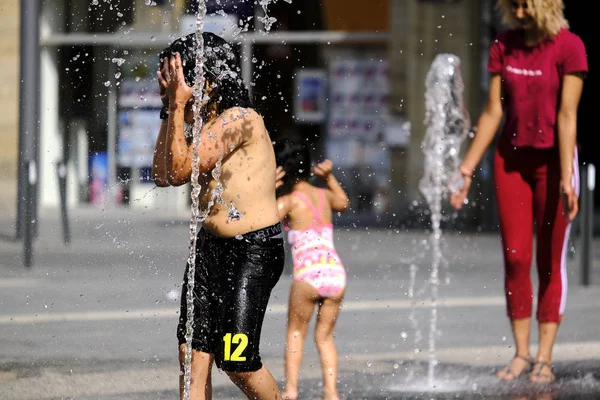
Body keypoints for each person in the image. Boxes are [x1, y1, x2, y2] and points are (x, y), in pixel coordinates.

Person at [450, 0, 587, 384]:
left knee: (549, 259)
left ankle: (545, 356)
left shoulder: (569, 46)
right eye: (514, 5)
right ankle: (522, 354)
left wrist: (566, 177)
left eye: (527, 5)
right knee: (515, 257)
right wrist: (467, 166)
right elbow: (494, 110)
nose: (520, 12)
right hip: (511, 164)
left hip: (553, 164)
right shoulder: (503, 44)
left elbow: (567, 115)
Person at [152, 31, 285, 400]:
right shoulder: (197, 124)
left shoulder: (239, 120)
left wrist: (177, 109)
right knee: (191, 354)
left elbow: (181, 171)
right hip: (209, 247)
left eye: (178, 82)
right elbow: (163, 175)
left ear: (207, 80)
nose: (172, 90)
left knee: (237, 360)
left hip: (252, 252)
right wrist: (170, 109)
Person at [274, 140, 349, 400]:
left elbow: (263, 218)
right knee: (325, 337)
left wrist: (269, 188)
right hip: (334, 273)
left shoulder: (289, 202)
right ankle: (331, 392)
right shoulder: (324, 195)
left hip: (308, 275)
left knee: (295, 332)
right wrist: (329, 178)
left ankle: (291, 390)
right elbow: (343, 201)